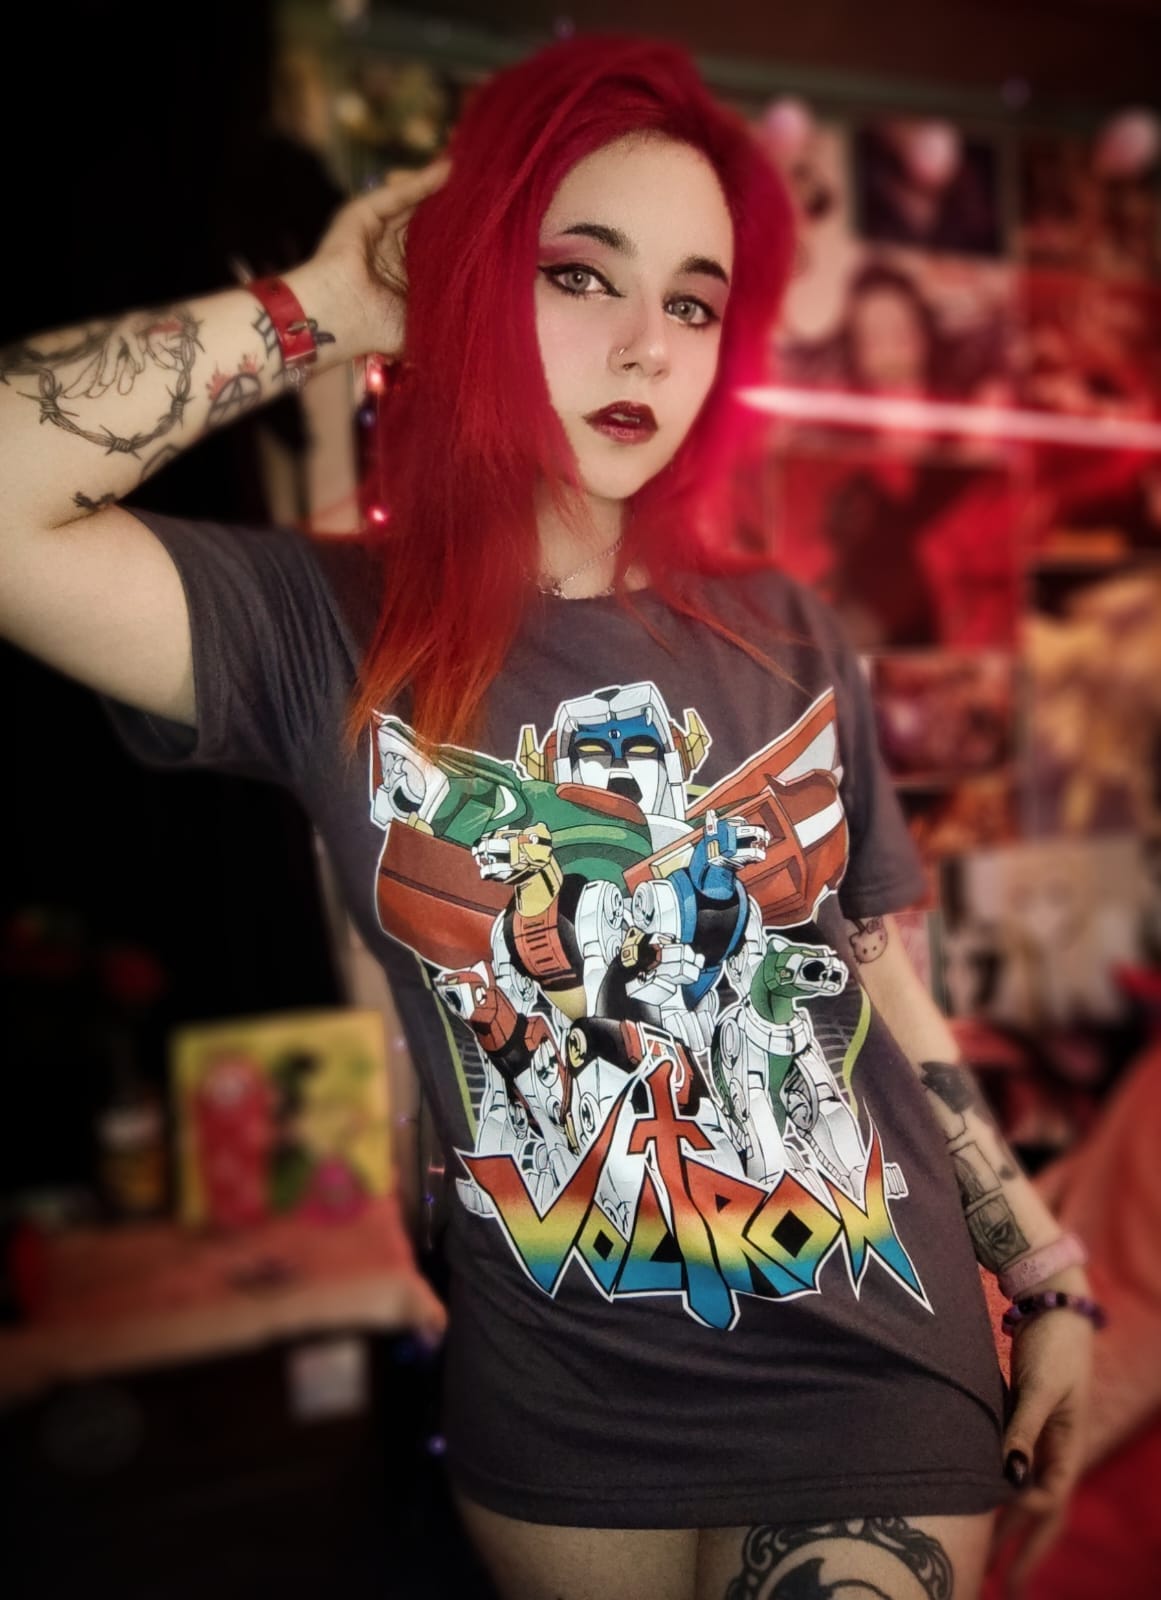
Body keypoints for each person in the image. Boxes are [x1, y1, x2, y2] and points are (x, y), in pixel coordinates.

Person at [0, 33, 1097, 1600]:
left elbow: (875, 978)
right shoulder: (326, 627)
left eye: (693, 302)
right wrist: (338, 302)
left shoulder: (785, 634)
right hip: (556, 1402)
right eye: (579, 276)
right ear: (473, 288)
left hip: (865, 1349)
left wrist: (1040, 1269)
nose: (645, 346)